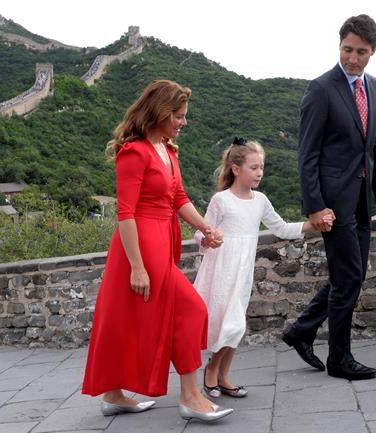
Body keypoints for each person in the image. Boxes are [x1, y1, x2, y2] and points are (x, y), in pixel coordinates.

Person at [81, 80, 233, 423]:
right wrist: (136, 266)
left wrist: (205, 227)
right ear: (161, 113)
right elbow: (125, 214)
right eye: (178, 116)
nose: (184, 122)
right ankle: (191, 396)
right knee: (191, 309)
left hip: (162, 240)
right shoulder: (134, 152)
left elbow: (178, 198)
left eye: (184, 116)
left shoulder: (168, 150)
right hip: (141, 245)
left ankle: (113, 394)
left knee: (126, 317)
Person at [282, 14, 376, 380]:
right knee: (348, 277)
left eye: (361, 52)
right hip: (332, 202)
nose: (352, 58)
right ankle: (339, 359)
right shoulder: (321, 89)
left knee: (353, 273)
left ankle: (301, 331)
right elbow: (307, 154)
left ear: (372, 52)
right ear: (340, 46)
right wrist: (314, 205)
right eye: (347, 49)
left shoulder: (375, 87)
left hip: (362, 198)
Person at [194, 137, 332, 398]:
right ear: (236, 169)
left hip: (243, 271)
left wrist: (312, 224)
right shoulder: (220, 200)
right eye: (253, 167)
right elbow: (200, 235)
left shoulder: (260, 200)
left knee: (236, 325)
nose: (259, 173)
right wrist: (209, 239)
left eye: (261, 167)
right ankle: (212, 371)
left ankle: (222, 376)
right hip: (221, 270)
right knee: (229, 324)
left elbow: (280, 228)